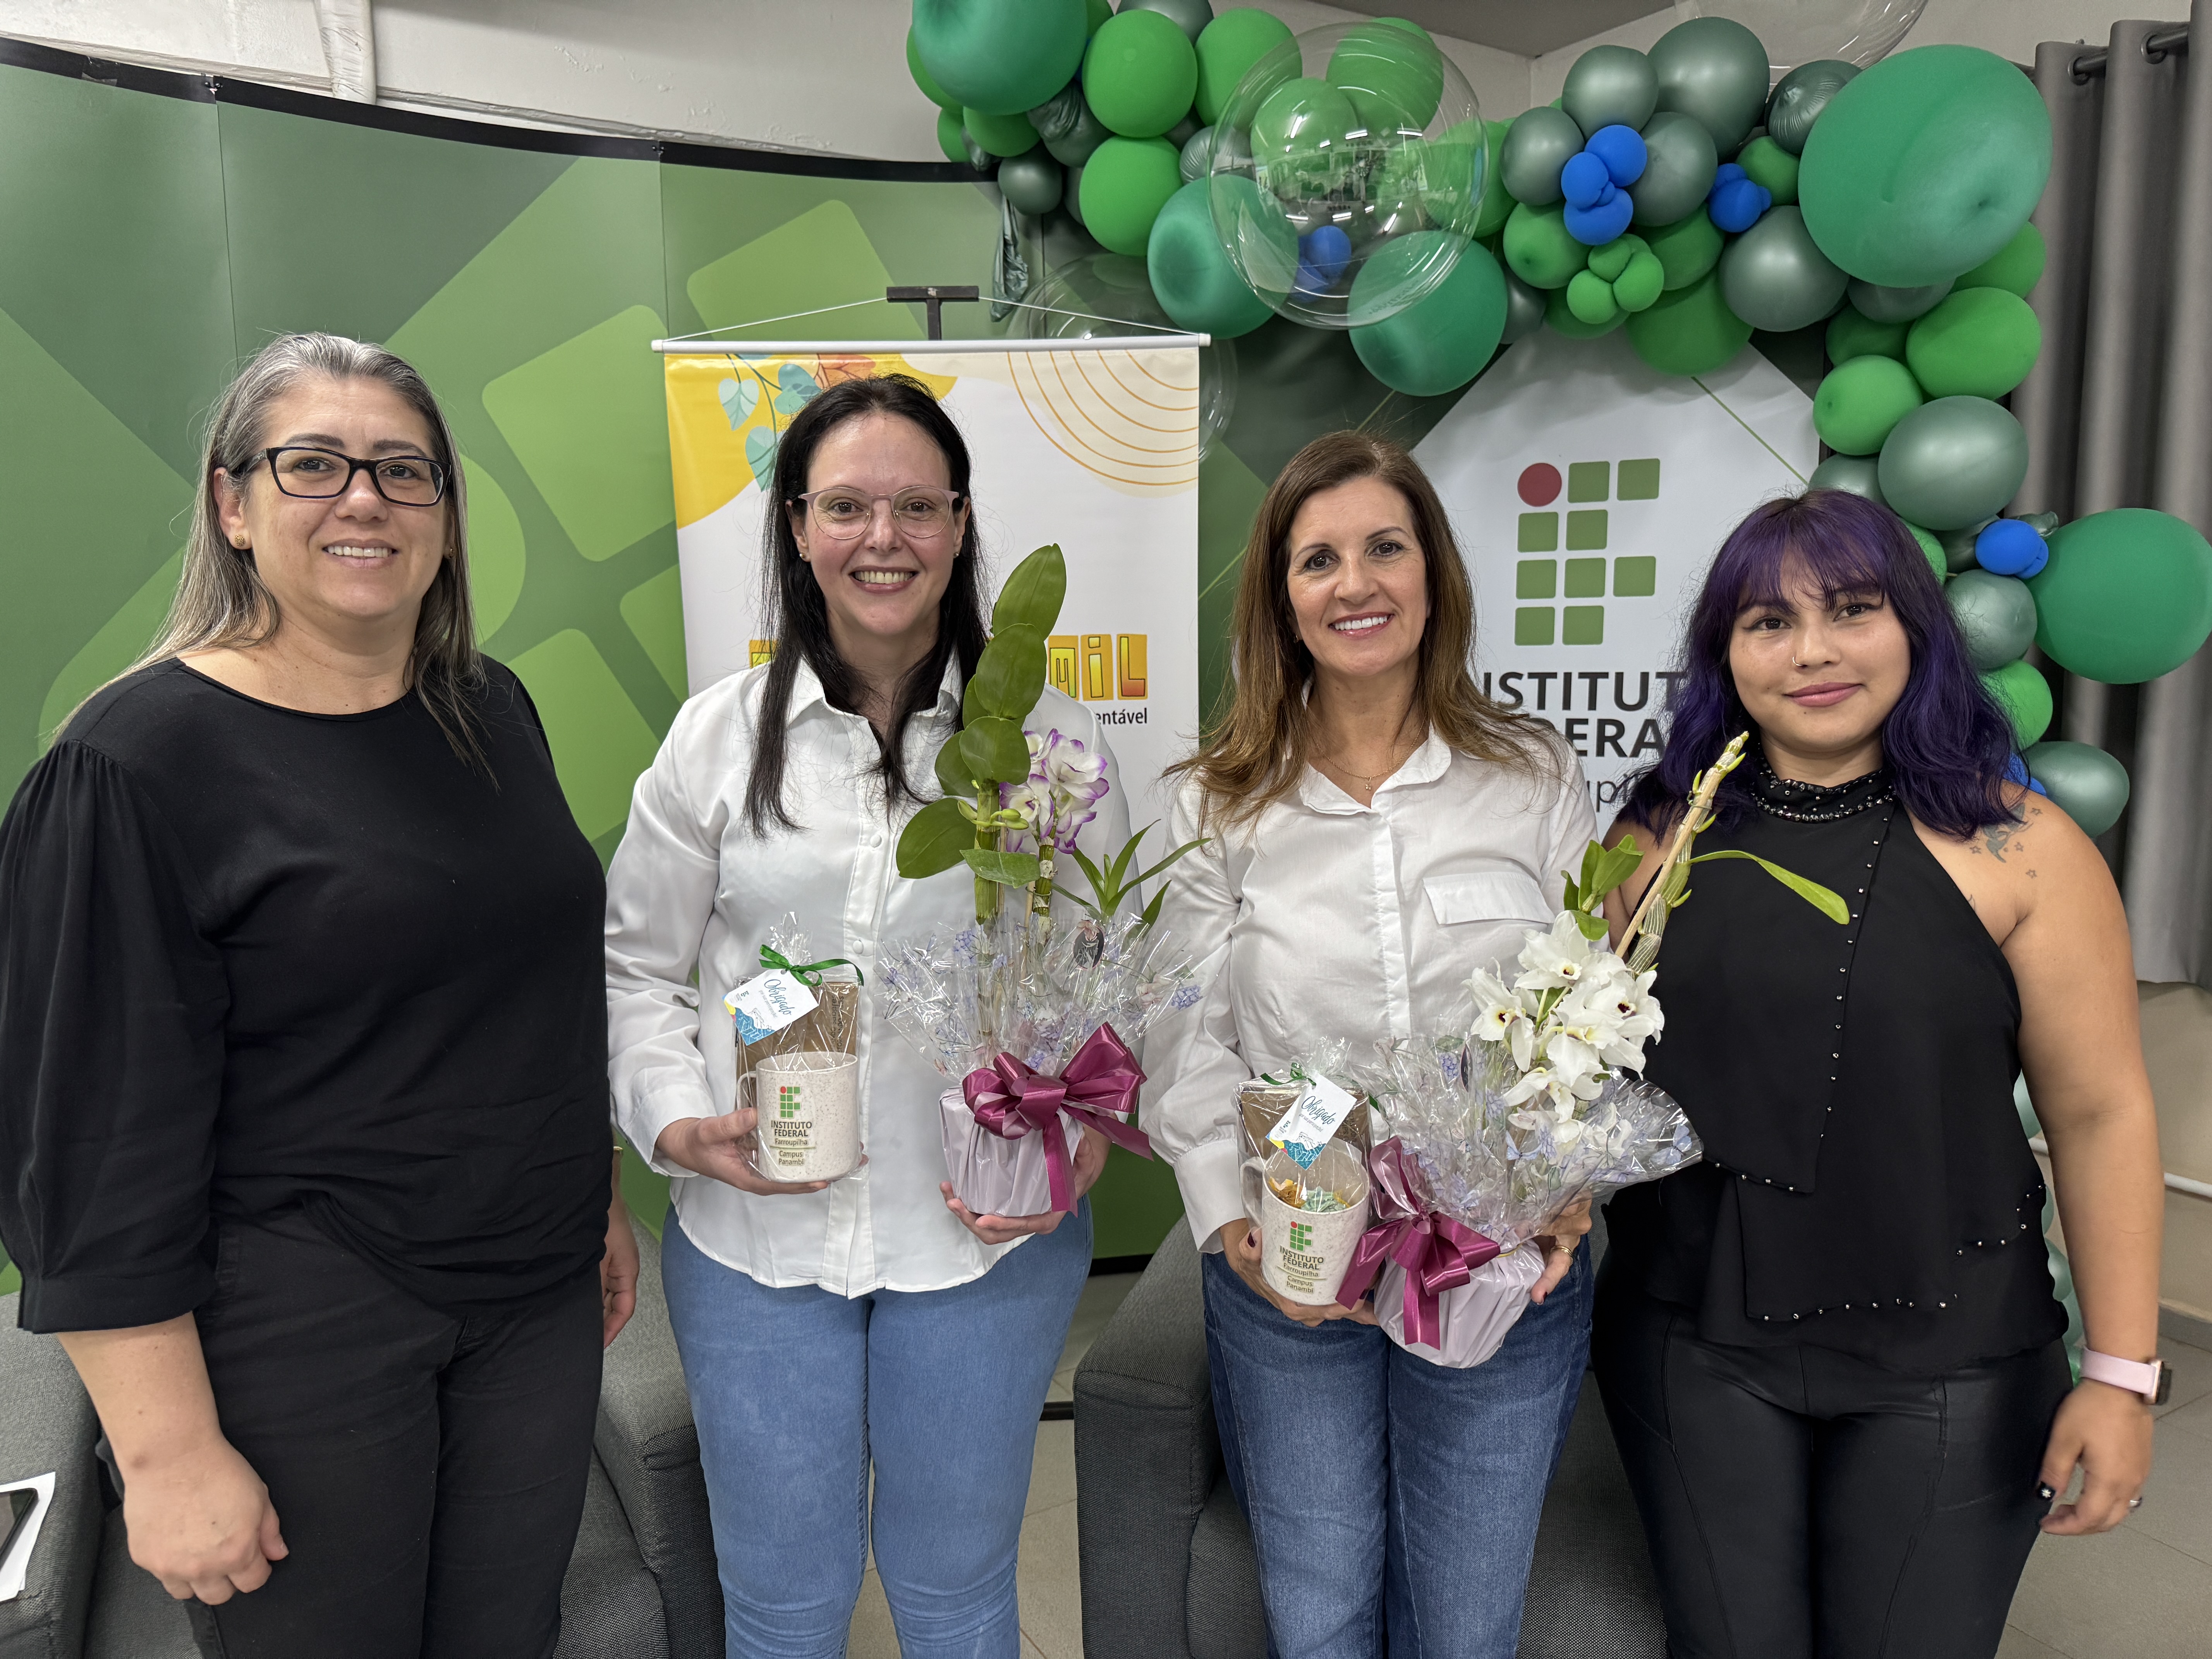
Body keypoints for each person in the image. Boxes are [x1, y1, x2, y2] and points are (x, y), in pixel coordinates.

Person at [0, 333, 634, 1658]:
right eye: (314, 465)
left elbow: (524, 991)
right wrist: (166, 1453)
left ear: (447, 516)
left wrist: (598, 1200)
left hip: (532, 1298)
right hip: (303, 1318)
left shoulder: (490, 709)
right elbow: (89, 1140)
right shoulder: (135, 763)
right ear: (232, 504)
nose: (365, 499)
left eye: (404, 470)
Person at [605, 373, 1127, 1658]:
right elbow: (636, 971)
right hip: (756, 1244)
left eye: (916, 506)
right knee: (784, 1604)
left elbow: (1113, 981)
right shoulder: (717, 741)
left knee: (954, 1594)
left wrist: (1084, 1143)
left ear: (960, 524)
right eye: (845, 505)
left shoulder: (1052, 749)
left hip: (984, 1241)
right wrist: (676, 1124)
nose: (881, 537)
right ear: (796, 527)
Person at [1594, 489, 2166, 1659]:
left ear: (1914, 625)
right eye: (1768, 621)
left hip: (1955, 1362)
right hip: (1693, 1347)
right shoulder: (1654, 837)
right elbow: (1591, 1083)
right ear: (1724, 653)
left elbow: (2102, 1114)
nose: (1812, 650)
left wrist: (2120, 1374)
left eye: (1851, 609)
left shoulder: (2026, 847)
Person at [1144, 431, 1598, 1658]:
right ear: (1281, 600)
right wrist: (1225, 1218)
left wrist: (1569, 1188)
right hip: (1296, 1253)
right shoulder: (1216, 798)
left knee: (1466, 1627)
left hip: (1495, 1254)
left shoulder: (1530, 773)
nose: (1356, 583)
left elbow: (1589, 1005)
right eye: (1319, 559)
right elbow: (1186, 1033)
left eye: (1386, 548)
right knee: (1321, 1617)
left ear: (1434, 574)